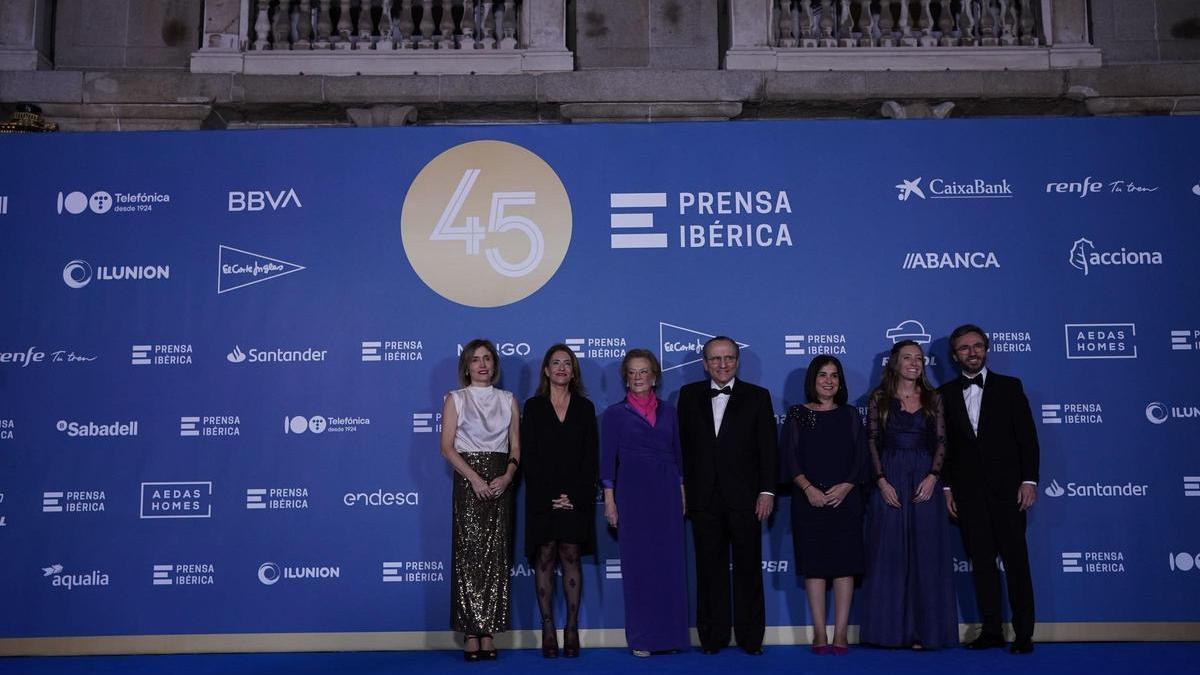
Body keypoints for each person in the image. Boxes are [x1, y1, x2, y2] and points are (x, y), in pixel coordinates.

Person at [939, 324, 1040, 655]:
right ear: (955, 356)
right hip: (969, 495)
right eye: (965, 348)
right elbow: (947, 448)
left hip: (1008, 492)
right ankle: (992, 630)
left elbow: (1027, 439)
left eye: (978, 346)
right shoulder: (945, 394)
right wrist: (948, 488)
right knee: (981, 565)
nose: (972, 352)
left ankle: (1024, 633)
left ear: (986, 349)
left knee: (1016, 563)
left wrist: (1029, 481)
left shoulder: (1010, 388)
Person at [676, 336, 778, 655]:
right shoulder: (688, 396)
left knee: (748, 569)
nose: (723, 364)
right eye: (716, 359)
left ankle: (751, 638)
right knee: (709, 571)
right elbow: (681, 450)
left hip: (747, 498)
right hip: (703, 498)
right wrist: (683, 490)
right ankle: (712, 636)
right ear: (705, 364)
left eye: (729, 358)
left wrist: (767, 490)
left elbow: (768, 450)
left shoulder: (758, 397)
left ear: (737, 361)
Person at [859, 340, 958, 650]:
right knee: (888, 554)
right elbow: (872, 441)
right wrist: (881, 481)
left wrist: (933, 477)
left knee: (926, 554)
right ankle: (889, 633)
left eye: (918, 358)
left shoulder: (934, 398)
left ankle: (924, 633)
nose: (914, 363)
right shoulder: (879, 398)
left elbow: (942, 441)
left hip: (924, 477)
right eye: (907, 358)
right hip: (889, 476)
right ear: (894, 363)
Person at [600, 349, 689, 657]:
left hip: (666, 493)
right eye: (632, 372)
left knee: (670, 567)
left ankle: (671, 637)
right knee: (639, 569)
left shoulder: (670, 412)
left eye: (644, 371)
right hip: (632, 496)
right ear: (626, 377)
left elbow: (679, 458)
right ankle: (643, 639)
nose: (638, 377)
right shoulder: (614, 414)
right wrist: (609, 501)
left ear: (654, 377)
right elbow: (607, 463)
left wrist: (682, 493)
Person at [439, 339, 520, 662]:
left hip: (501, 480)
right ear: (467, 366)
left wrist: (508, 476)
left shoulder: (508, 399)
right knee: (468, 553)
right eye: (475, 360)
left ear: (494, 364)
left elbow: (515, 447)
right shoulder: (455, 399)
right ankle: (470, 631)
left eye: (487, 358)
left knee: (496, 556)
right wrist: (473, 477)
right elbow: (447, 447)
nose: (482, 365)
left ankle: (488, 631)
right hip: (468, 480)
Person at [779, 356, 866, 655]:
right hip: (809, 501)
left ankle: (840, 633)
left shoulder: (851, 415)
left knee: (845, 566)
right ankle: (819, 632)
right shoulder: (798, 414)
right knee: (814, 567)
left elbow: (861, 458)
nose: (828, 381)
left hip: (846, 500)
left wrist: (846, 486)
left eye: (834, 376)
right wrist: (808, 489)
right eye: (822, 376)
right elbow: (789, 458)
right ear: (812, 381)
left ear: (840, 382)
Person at [521, 344, 598, 659]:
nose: (562, 368)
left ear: (573, 370)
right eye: (556, 363)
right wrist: (550, 498)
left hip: (575, 497)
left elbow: (590, 457)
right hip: (543, 497)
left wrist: (574, 497)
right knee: (545, 555)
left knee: (570, 554)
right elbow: (529, 456)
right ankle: (548, 628)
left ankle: (572, 628)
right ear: (546, 370)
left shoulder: (585, 408)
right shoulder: (534, 406)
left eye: (568, 363)